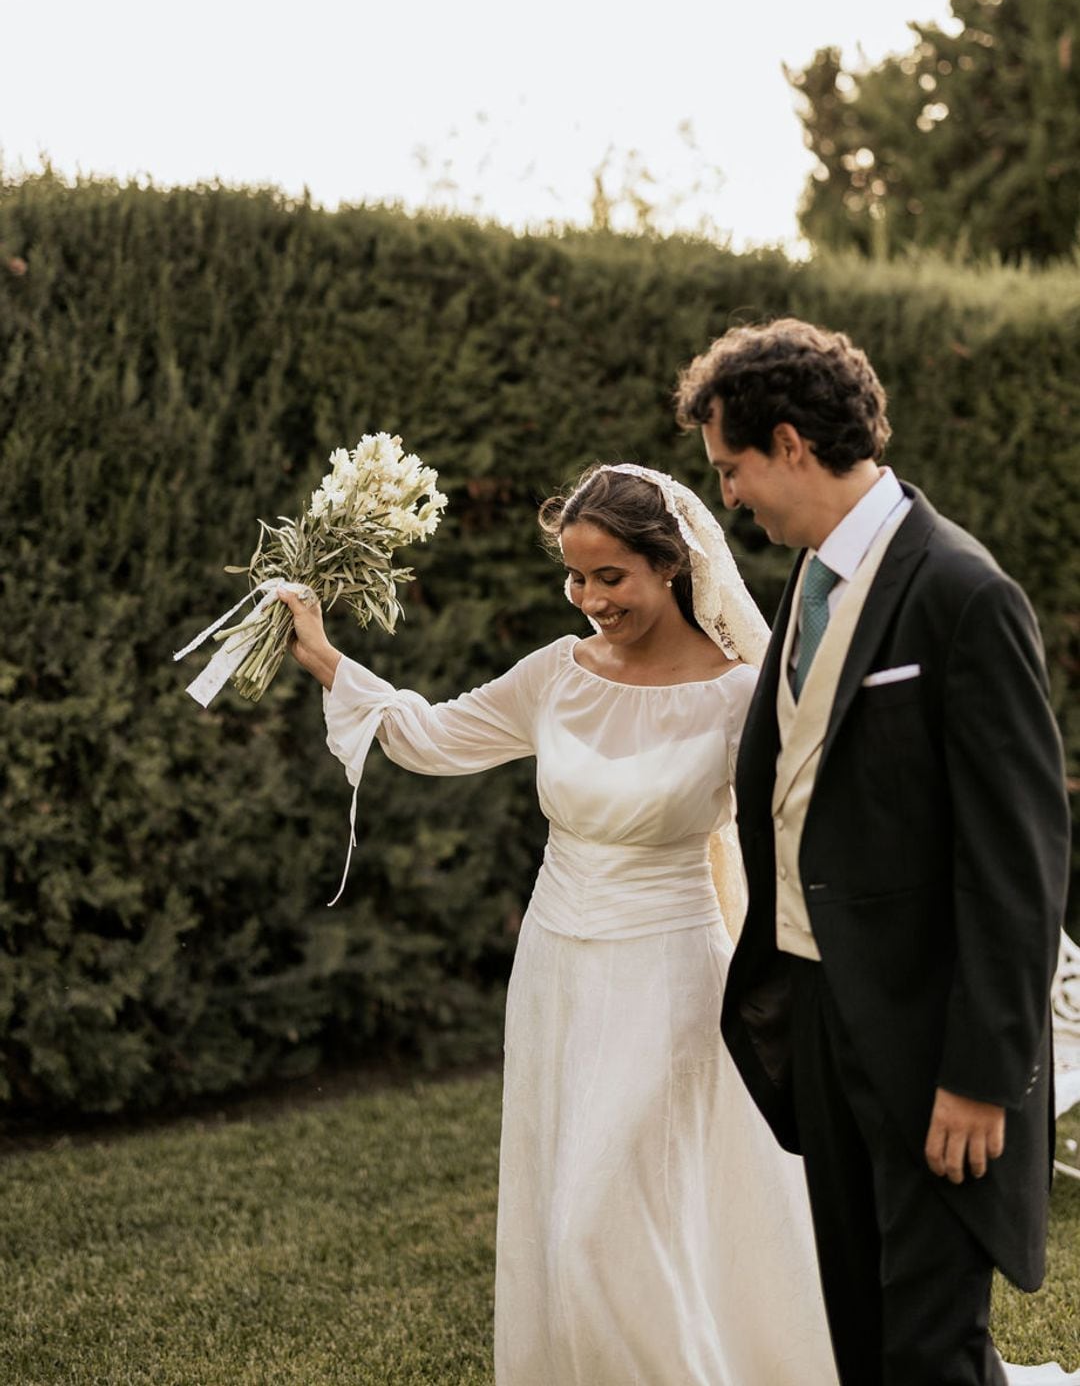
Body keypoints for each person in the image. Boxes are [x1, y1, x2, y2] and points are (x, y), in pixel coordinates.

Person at [278, 463, 840, 1385]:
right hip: (555, 969)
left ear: (672, 566)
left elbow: (798, 831)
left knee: (598, 1221)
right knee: (567, 1208)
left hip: (672, 974)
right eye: (575, 578)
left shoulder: (742, 695)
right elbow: (434, 737)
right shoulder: (557, 673)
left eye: (610, 577)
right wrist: (325, 658)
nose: (589, 599)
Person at [674, 317, 1072, 1386]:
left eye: (733, 468)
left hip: (930, 1042)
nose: (730, 498)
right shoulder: (805, 583)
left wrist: (982, 1078)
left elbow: (1018, 860)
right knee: (859, 1331)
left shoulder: (962, 592)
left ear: (792, 442)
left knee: (931, 1349)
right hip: (819, 1020)